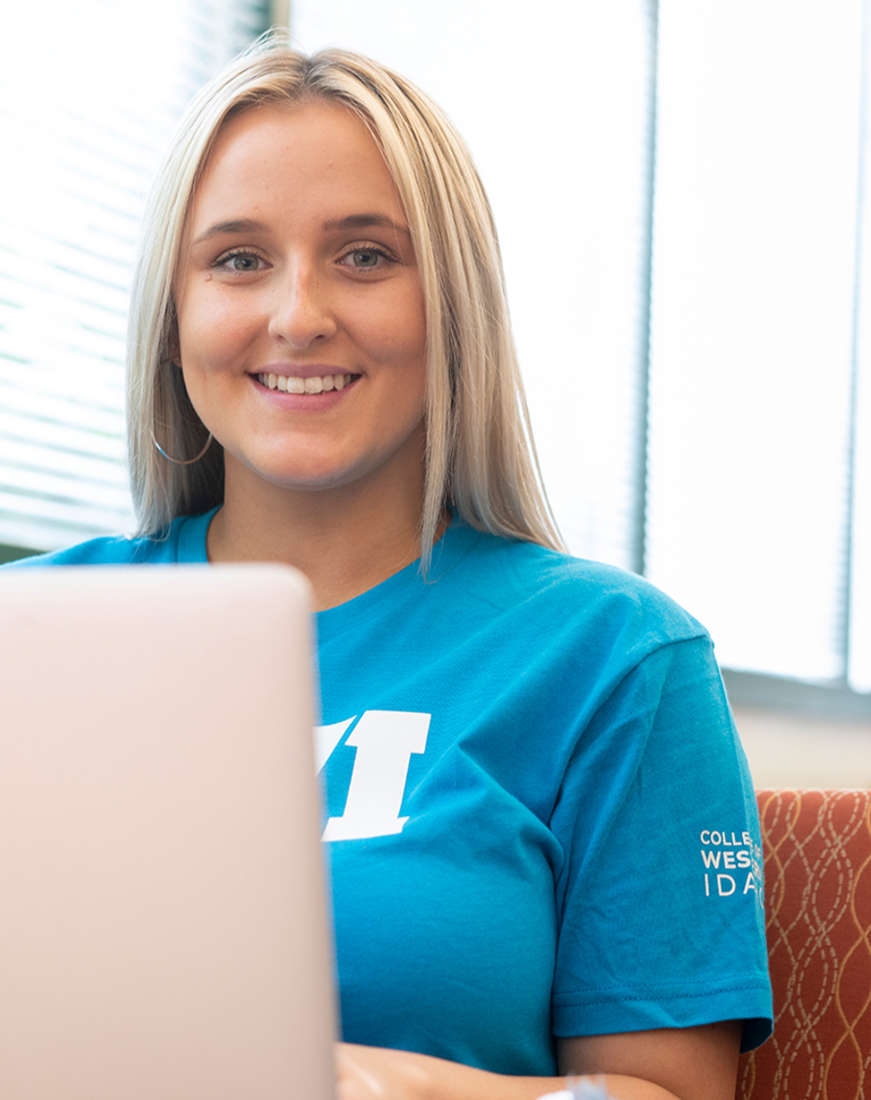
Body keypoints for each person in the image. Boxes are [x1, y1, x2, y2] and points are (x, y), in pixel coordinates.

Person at [11, 42, 772, 1100]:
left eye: (364, 255)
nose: (297, 314)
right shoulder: (32, 631)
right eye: (237, 259)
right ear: (171, 321)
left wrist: (365, 1086)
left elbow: (667, 1094)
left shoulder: (616, 657)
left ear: (451, 304)